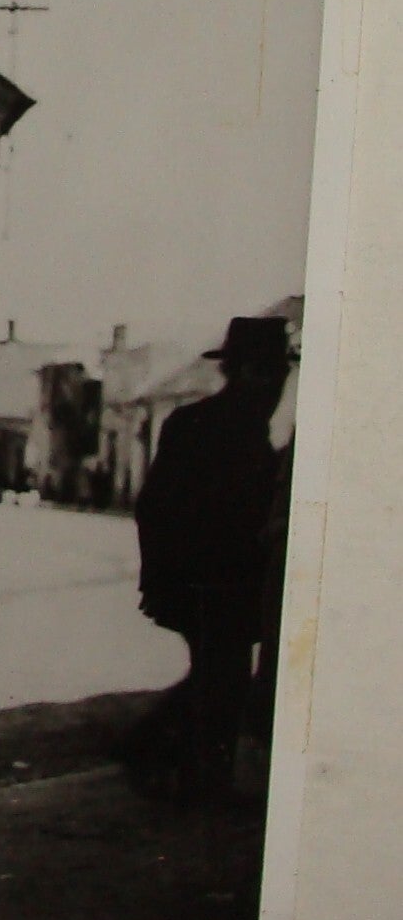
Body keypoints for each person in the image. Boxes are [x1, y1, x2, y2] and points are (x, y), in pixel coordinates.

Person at [133, 315, 294, 802]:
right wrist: (160, 579)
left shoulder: (259, 435)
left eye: (280, 371)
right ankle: (184, 766)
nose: (276, 382)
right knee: (222, 677)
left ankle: (192, 768)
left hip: (233, 583)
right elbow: (155, 508)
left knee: (220, 676)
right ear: (240, 372)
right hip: (205, 582)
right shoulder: (201, 427)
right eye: (266, 371)